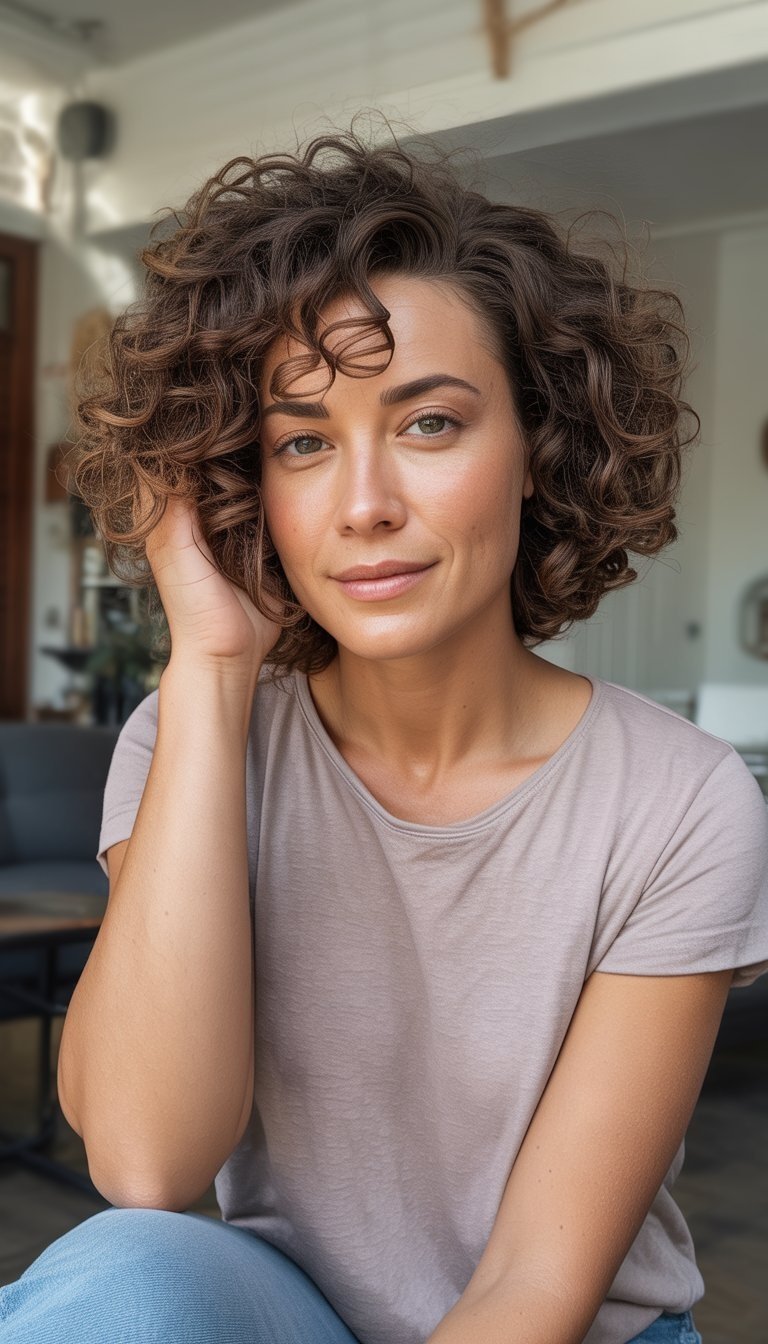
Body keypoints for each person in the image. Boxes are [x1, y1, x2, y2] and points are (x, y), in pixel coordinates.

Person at [2, 118, 767, 1344]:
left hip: (562, 1332)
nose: (362, 506)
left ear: (535, 446)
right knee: (122, 1274)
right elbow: (147, 1162)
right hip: (291, 1311)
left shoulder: (678, 797)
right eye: (304, 442)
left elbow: (533, 1283)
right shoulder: (197, 736)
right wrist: (206, 666)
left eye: (429, 424)